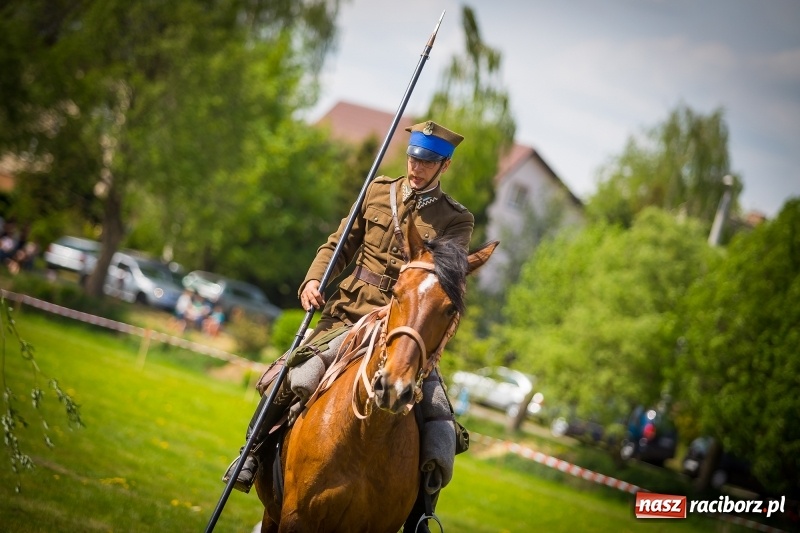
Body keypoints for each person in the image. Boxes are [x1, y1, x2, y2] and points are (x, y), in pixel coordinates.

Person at [223, 121, 474, 530]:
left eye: (427, 162)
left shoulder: (456, 220)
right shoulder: (377, 190)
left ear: (443, 166)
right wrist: (313, 280)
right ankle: (249, 455)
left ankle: (420, 517)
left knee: (440, 423)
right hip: (349, 314)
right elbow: (337, 244)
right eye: (413, 157)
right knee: (291, 376)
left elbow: (444, 276)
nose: (416, 167)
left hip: (406, 325)